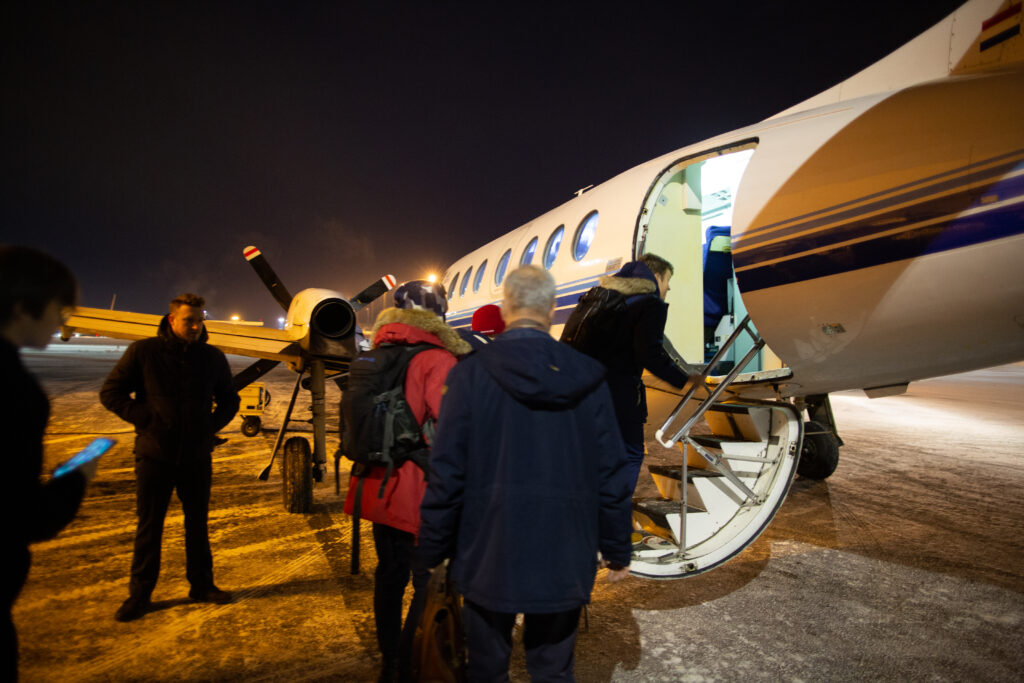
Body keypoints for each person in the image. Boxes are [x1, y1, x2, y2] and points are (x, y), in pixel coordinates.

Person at [418, 265, 633, 681]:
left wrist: (432, 550)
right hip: (564, 552)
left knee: (486, 668)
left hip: (487, 550)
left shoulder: (470, 375)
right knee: (553, 671)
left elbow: (446, 473)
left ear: (505, 308)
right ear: (552, 310)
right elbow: (611, 472)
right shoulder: (588, 378)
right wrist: (617, 548)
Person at [343, 279, 469, 682]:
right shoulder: (437, 359)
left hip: (378, 487)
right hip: (419, 493)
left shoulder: (376, 354)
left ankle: (389, 660)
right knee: (428, 580)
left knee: (389, 574)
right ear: (439, 315)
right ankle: (411, 662)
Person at [100, 293, 239, 622]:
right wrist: (146, 419)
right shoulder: (144, 352)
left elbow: (230, 401)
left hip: (195, 456)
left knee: (197, 525)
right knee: (149, 526)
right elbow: (111, 392)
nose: (195, 326)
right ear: (172, 319)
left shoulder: (212, 358)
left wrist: (208, 427)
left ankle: (202, 585)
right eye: (189, 320)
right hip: (154, 456)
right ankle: (140, 594)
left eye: (199, 320)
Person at [0, 245, 98, 679]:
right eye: (60, 309)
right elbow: (23, 515)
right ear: (23, 307)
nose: (64, 321)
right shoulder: (14, 392)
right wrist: (76, 476)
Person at [580, 253, 692, 487]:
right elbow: (650, 355)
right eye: (667, 280)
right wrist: (686, 380)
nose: (668, 287)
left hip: (585, 391)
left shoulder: (600, 298)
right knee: (630, 454)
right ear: (656, 276)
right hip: (620, 395)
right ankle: (613, 515)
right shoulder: (649, 304)